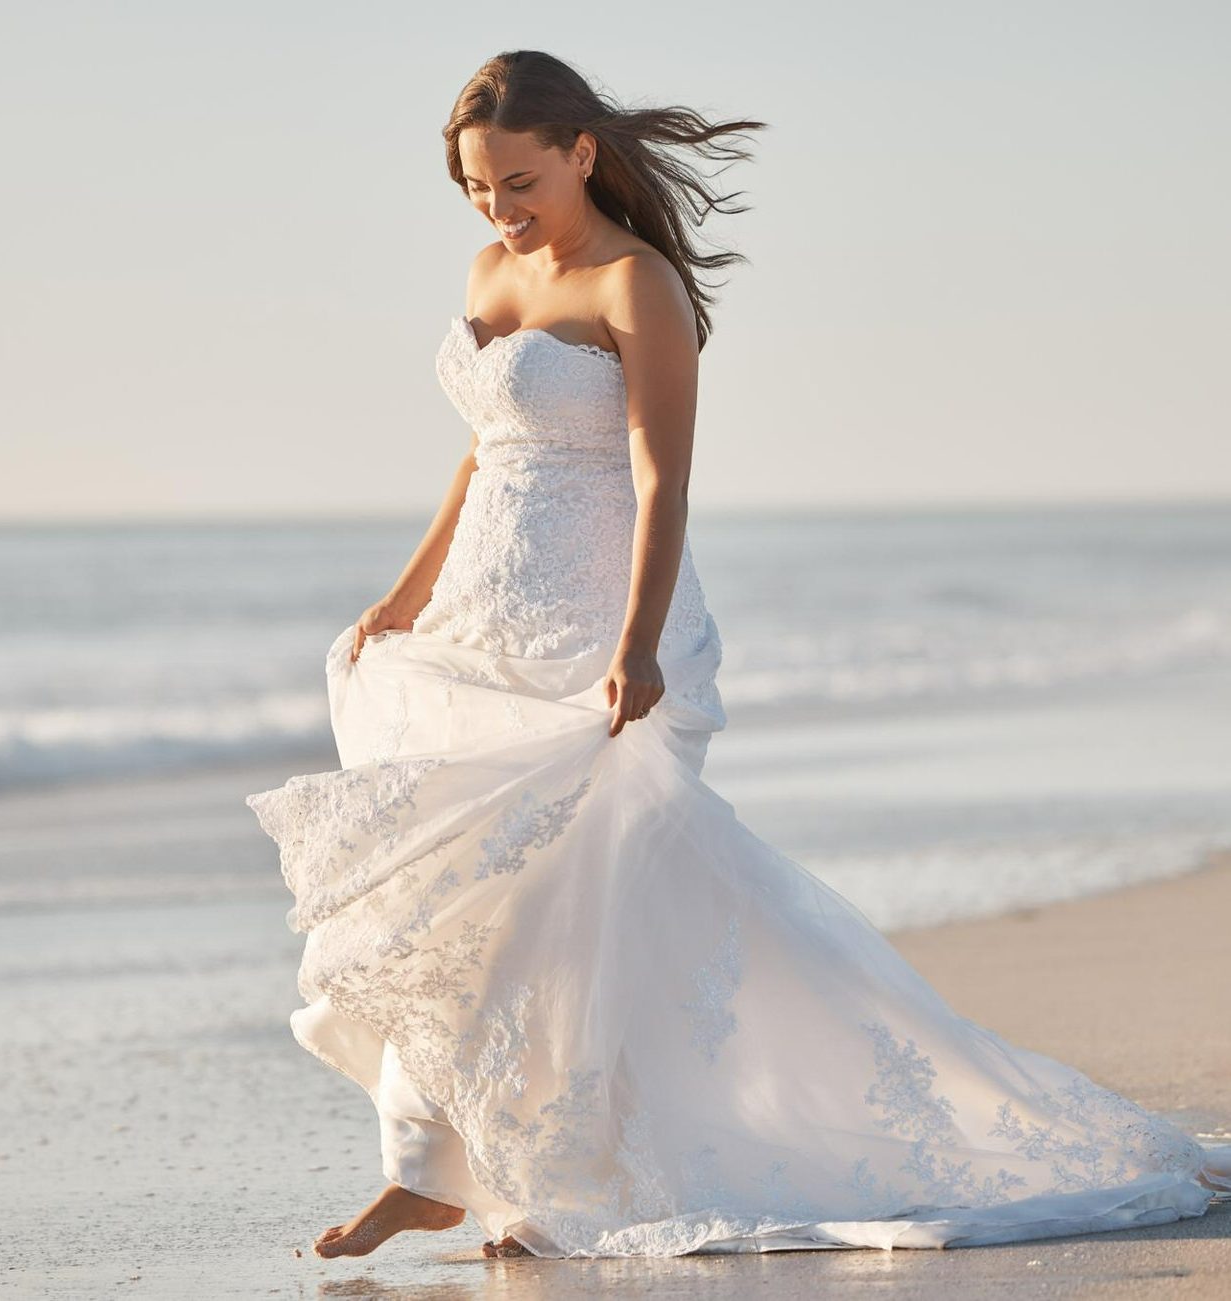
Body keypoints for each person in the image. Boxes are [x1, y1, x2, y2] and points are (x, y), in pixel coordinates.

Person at [246, 49, 1231, 1262]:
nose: (499, 208)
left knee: (575, 909)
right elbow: (481, 447)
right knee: (453, 902)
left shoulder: (634, 283)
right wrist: (398, 597)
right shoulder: (490, 272)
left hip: (595, 619)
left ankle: (497, 1170)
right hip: (480, 623)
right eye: (476, 189)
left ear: (580, 154)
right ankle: (436, 1167)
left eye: (517, 181)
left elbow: (664, 476)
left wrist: (637, 640)